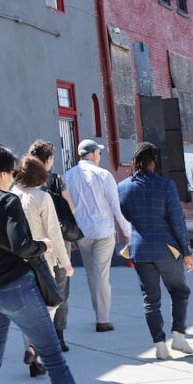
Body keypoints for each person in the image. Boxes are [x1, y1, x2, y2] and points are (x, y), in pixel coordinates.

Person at [0, 144, 88, 384]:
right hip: (18, 289)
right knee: (54, 360)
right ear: (4, 173)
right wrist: (42, 245)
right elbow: (21, 246)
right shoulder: (8, 201)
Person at [116, 141, 193, 360]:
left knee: (150, 299)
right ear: (154, 161)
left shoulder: (122, 187)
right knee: (179, 291)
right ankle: (178, 338)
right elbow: (177, 221)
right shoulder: (166, 185)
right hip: (167, 248)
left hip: (140, 249)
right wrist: (187, 251)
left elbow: (127, 215)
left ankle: (160, 345)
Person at [12, 156, 72, 377]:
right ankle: (35, 348)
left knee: (27, 310)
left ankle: (34, 360)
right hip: (41, 259)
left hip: (17, 261)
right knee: (52, 302)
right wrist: (66, 263)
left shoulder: (11, 196)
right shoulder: (42, 197)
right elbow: (54, 233)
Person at [62, 139, 129, 333]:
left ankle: (100, 314)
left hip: (81, 234)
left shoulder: (67, 176)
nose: (100, 156)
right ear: (92, 154)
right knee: (101, 275)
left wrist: (69, 237)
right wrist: (127, 232)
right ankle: (102, 319)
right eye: (99, 153)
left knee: (92, 275)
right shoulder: (104, 175)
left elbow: (66, 210)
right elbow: (116, 206)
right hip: (103, 233)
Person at [26, 140, 75, 350]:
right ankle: (59, 336)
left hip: (32, 245)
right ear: (48, 160)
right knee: (61, 289)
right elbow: (70, 207)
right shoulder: (55, 181)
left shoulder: (22, 186)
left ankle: (36, 342)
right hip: (57, 242)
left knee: (35, 291)